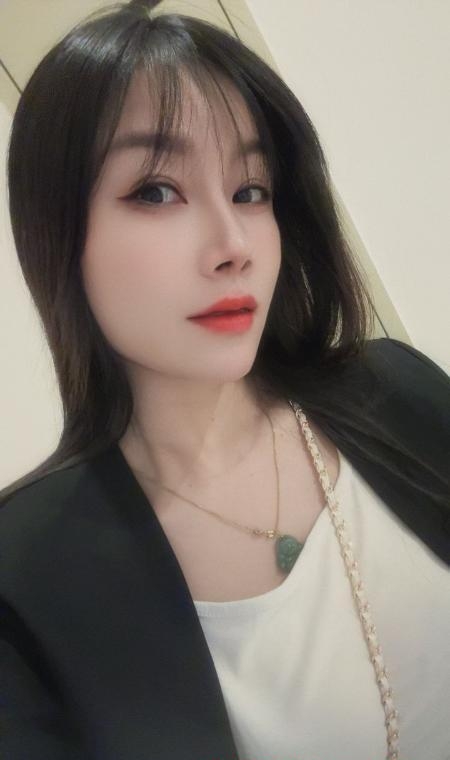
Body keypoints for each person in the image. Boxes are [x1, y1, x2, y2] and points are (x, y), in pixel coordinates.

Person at [0, 1, 449, 759]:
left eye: (250, 190)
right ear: (57, 235)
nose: (233, 243)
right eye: (156, 191)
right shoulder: (25, 577)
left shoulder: (393, 387)